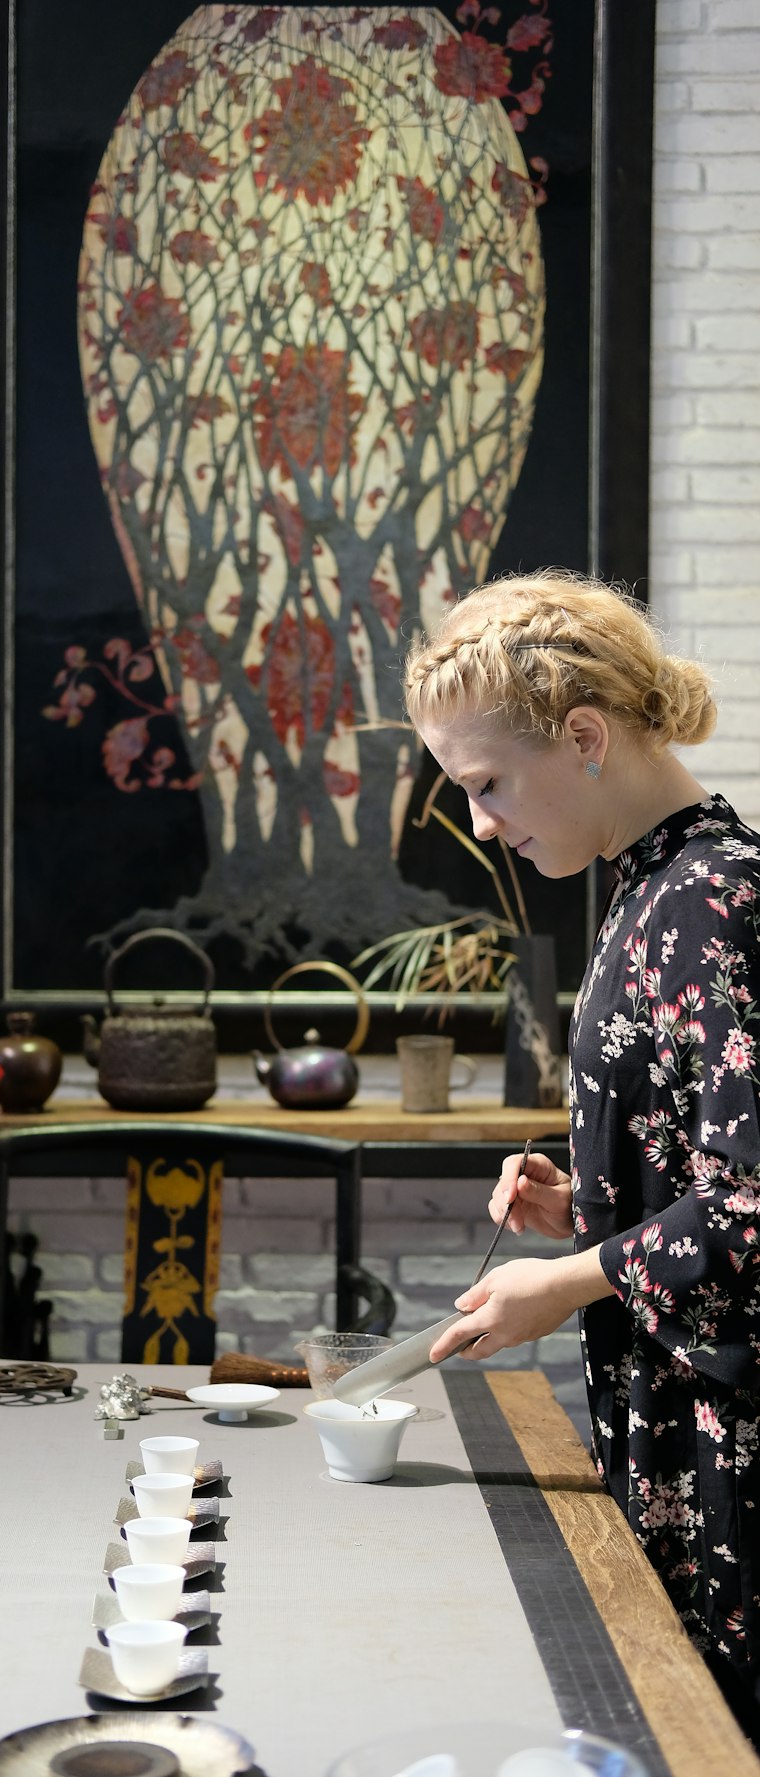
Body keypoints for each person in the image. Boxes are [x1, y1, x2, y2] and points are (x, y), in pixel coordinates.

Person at [404, 568, 760, 1740]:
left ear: (586, 737)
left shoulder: (713, 898)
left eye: (488, 783)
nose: (482, 822)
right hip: (667, 1419)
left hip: (727, 1453)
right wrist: (591, 1209)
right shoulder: (643, 886)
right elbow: (698, 1177)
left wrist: (563, 1284)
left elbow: (754, 1203)